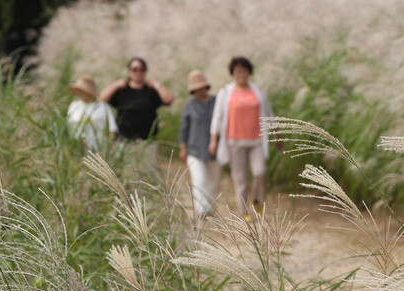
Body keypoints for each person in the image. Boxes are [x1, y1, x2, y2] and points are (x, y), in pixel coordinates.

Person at [209, 56, 281, 219]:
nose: (241, 74)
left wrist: (277, 133)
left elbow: (269, 113)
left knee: (259, 172)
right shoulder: (225, 92)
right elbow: (217, 117)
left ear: (249, 72)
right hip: (235, 142)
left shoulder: (259, 91)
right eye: (237, 71)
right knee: (240, 179)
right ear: (233, 73)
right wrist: (214, 139)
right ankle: (244, 211)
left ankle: (256, 200)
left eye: (244, 71)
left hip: (256, 140)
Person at [99, 57, 173, 176]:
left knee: (149, 176)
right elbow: (101, 99)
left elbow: (168, 99)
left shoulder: (150, 91)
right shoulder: (122, 91)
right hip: (125, 142)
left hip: (147, 143)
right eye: (134, 69)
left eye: (141, 69)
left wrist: (157, 84)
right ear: (129, 71)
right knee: (127, 174)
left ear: (145, 71)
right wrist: (116, 84)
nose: (138, 72)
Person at [179, 70, 221, 219]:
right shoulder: (189, 105)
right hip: (194, 149)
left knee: (214, 183)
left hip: (215, 149)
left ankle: (211, 210)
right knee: (199, 180)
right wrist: (183, 147)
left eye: (201, 86)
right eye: (196, 88)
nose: (199, 90)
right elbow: (184, 127)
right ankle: (202, 212)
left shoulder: (217, 101)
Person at [66, 75, 117, 152]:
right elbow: (69, 127)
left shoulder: (102, 107)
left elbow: (112, 128)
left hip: (99, 147)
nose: (79, 92)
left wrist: (111, 147)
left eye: (81, 90)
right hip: (77, 148)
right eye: (78, 90)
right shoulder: (74, 106)